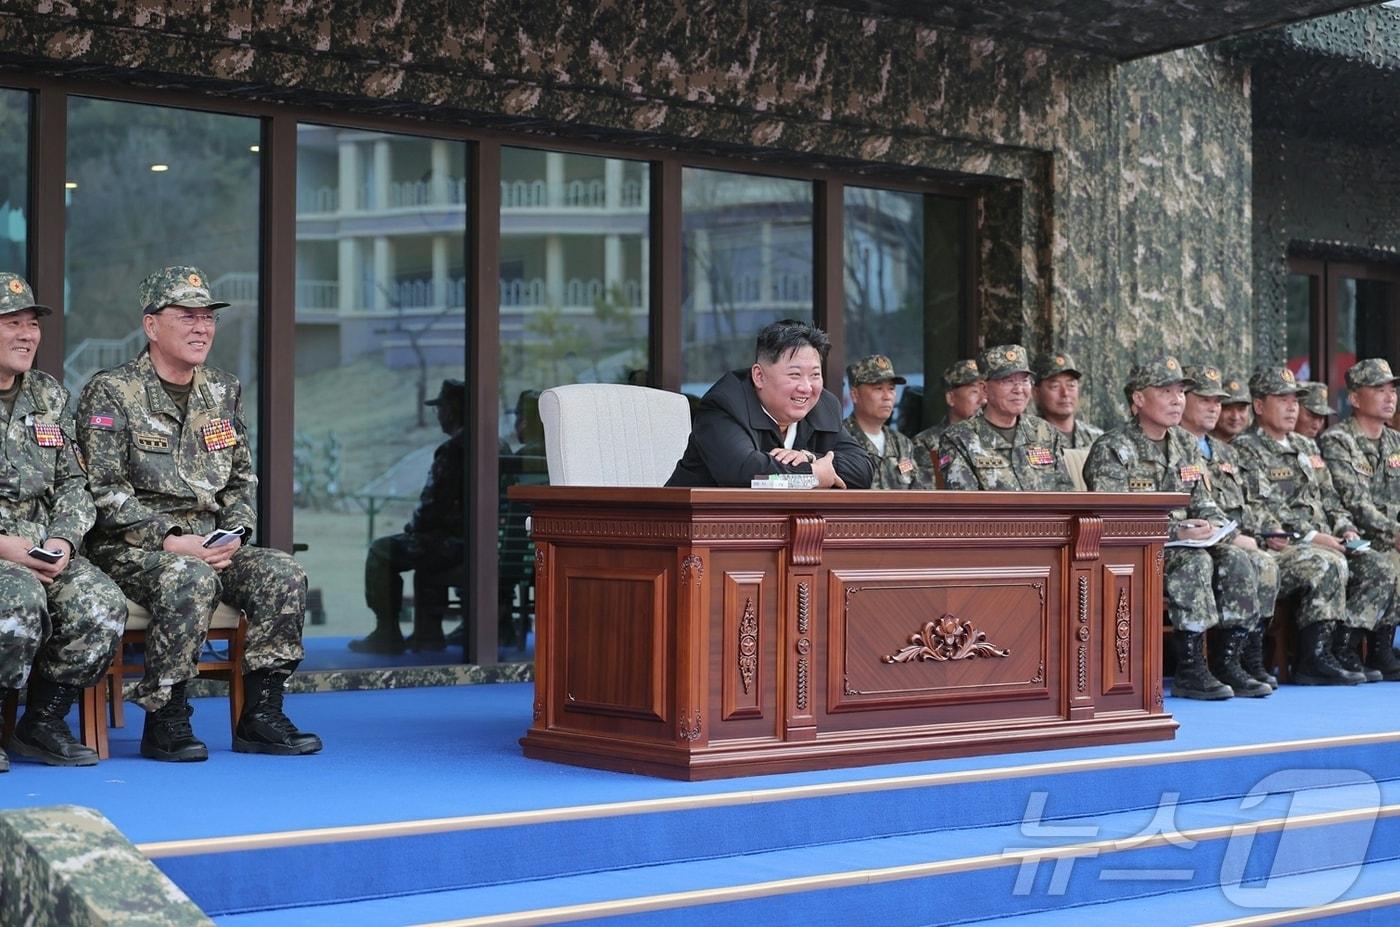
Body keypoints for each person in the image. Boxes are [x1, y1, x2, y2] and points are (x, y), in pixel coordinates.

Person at [77, 266, 322, 761]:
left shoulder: (222, 391)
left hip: (213, 544)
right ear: (151, 325)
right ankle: (166, 715)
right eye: (187, 316)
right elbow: (101, 490)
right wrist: (169, 539)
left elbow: (240, 478)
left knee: (284, 573)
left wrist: (234, 532)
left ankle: (262, 714)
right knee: (188, 576)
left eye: (208, 317)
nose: (201, 328)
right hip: (133, 550)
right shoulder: (111, 391)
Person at [0, 273, 126, 772]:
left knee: (102, 604)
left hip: (44, 548)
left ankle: (44, 720)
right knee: (18, 599)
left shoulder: (48, 396)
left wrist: (63, 539)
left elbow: (75, 483)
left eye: (32, 323)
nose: (27, 334)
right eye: (12, 323)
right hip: (4, 552)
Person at [1083, 357, 1264, 699]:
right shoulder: (1113, 448)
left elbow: (1202, 499)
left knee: (1239, 559)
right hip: (1132, 553)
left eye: (1180, 392)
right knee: (1194, 563)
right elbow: (1114, 519)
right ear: (1138, 399)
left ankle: (1228, 661)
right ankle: (1191, 668)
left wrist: (1214, 526)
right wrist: (1177, 533)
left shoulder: (1183, 444)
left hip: (1186, 544)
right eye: (1165, 391)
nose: (1177, 400)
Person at [1233, 365, 1394, 686]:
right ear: (1260, 406)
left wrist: (1345, 528)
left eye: (1295, 400)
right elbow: (1259, 509)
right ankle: (1312, 658)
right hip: (1283, 546)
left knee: (1377, 564)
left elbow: (1330, 497)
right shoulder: (1245, 448)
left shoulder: (1307, 447)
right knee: (1326, 563)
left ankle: (1342, 649)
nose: (1292, 407)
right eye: (1283, 400)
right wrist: (1311, 536)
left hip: (1326, 539)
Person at [666, 319, 872, 489]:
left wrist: (807, 458)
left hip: (780, 531)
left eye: (815, 375)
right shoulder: (724, 405)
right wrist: (813, 475)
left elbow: (863, 471)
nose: (807, 388)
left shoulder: (824, 406)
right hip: (691, 528)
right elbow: (747, 477)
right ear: (759, 376)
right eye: (795, 375)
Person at [1179, 363, 1281, 692]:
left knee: (1263, 562)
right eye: (1205, 399)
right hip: (1185, 543)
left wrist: (1257, 534)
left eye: (1217, 401)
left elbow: (1249, 502)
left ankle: (1236, 658)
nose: (1214, 407)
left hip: (1222, 537)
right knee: (1233, 560)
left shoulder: (1226, 452)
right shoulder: (1178, 446)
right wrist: (1233, 536)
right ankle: (1200, 666)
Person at [351, 379, 466, 655]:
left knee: (383, 550)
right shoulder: (497, 447)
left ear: (450, 411)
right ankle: (428, 633)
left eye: (440, 408)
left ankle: (387, 632)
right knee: (425, 550)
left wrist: (413, 527)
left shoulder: (454, 450)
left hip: (455, 544)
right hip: (486, 545)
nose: (437, 415)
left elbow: (433, 505)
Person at [1317, 358, 1400, 680]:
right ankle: (1347, 644)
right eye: (1379, 389)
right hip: (1352, 534)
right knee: (1388, 561)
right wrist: (1394, 532)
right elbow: (1354, 500)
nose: (1389, 397)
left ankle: (1381, 646)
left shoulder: (1395, 442)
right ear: (1354, 398)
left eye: (1392, 389)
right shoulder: (1338, 440)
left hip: (1390, 533)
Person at [938, 344, 1075, 491]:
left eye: (1024, 381)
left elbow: (1065, 495)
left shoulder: (1044, 432)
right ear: (984, 389)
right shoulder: (959, 439)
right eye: (1007, 381)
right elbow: (966, 505)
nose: (1018, 389)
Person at [842, 354, 931, 490]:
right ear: (855, 395)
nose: (887, 396)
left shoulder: (902, 444)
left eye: (891, 389)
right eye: (878, 389)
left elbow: (918, 495)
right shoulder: (839, 439)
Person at [911, 358, 983, 472]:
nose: (982, 400)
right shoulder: (925, 443)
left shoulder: (995, 439)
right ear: (951, 398)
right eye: (975, 392)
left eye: (985, 391)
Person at [1032, 351, 1103, 449]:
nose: (1065, 393)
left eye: (1071, 385)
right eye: (1055, 386)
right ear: (1036, 392)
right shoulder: (1029, 438)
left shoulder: (1097, 438)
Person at [1212, 373, 1252, 443]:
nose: (1235, 417)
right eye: (1228, 409)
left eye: (1241, 409)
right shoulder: (1199, 443)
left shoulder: (1252, 446)